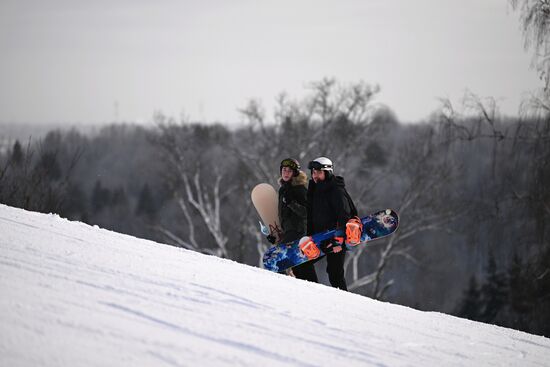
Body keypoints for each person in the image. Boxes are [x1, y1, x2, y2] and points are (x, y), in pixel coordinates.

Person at [306, 156, 357, 291]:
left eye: (318, 172)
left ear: (327, 172)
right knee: (302, 265)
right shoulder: (315, 190)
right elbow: (311, 216)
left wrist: (338, 239)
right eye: (313, 172)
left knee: (335, 274)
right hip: (320, 238)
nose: (314, 175)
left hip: (335, 240)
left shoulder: (336, 190)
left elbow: (345, 215)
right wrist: (309, 236)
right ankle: (312, 294)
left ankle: (345, 303)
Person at [268, 158, 318, 283]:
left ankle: (283, 286)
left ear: (295, 173)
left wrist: (292, 203)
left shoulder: (300, 189)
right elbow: (284, 216)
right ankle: (310, 289)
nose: (286, 173)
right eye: (284, 170)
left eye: (290, 171)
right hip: (289, 231)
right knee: (300, 267)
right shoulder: (283, 189)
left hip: (299, 232)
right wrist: (277, 235)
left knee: (279, 258)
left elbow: (308, 213)